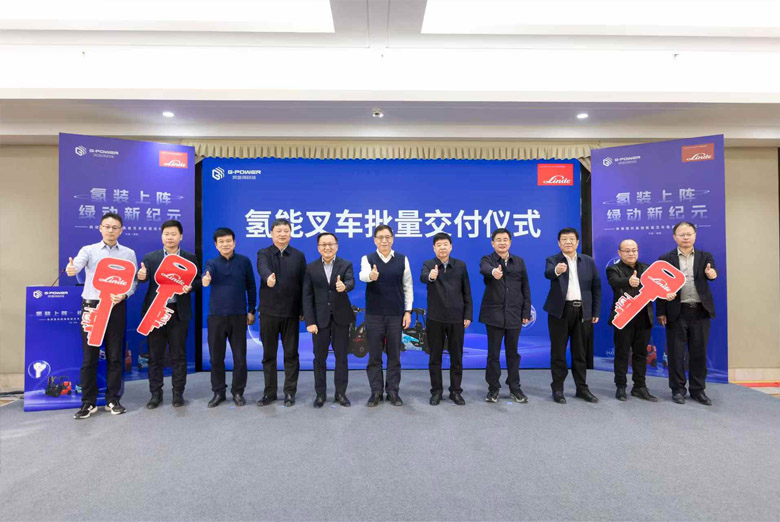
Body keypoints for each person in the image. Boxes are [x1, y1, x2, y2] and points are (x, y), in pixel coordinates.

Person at [66, 212, 137, 419]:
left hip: (116, 307)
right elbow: (76, 266)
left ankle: (113, 399)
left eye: (115, 227)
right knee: (90, 356)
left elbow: (133, 281)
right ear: (100, 228)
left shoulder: (128, 253)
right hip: (93, 308)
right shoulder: (89, 250)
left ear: (121, 231)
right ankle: (88, 402)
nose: (110, 230)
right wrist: (71, 268)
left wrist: (124, 294)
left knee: (115, 356)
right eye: (107, 226)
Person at [137, 220, 201, 408]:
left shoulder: (190, 258)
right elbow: (143, 279)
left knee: (178, 356)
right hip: (155, 312)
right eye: (166, 234)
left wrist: (191, 287)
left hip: (178, 313)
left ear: (181, 236)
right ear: (161, 236)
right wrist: (141, 276)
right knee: (155, 356)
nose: (170, 237)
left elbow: (198, 281)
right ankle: (155, 394)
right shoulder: (151, 258)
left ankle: (177, 393)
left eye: (173, 234)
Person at [657, 221, 718, 406]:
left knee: (698, 353)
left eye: (689, 234)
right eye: (682, 234)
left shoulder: (705, 256)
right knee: (676, 353)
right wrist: (661, 312)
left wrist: (712, 274)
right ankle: (678, 389)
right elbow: (660, 286)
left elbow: (713, 272)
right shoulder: (665, 259)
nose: (686, 237)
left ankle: (698, 390)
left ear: (695, 236)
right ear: (675, 237)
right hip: (677, 311)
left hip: (700, 311)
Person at [544, 227, 601, 404]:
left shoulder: (588, 261)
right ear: (559, 243)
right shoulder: (553, 260)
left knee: (580, 353)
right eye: (564, 239)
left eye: (571, 239)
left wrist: (595, 311)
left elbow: (596, 287)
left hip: (582, 311)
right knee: (558, 352)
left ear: (577, 242)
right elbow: (548, 273)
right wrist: (557, 270)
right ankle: (558, 389)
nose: (568, 242)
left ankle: (582, 388)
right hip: (559, 312)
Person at [359, 225, 413, 407]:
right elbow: (362, 275)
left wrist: (408, 311)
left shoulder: (402, 259)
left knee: (394, 356)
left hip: (396, 315)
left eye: (387, 237)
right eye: (380, 237)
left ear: (393, 239)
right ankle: (376, 392)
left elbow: (408, 286)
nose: (384, 240)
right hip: (374, 315)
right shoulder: (367, 259)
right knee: (374, 356)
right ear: (375, 240)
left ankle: (392, 391)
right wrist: (371, 275)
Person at [202, 227, 256, 408]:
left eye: (228, 241)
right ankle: (219, 392)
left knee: (240, 357)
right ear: (216, 245)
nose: (225, 244)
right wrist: (206, 278)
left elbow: (251, 286)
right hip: (216, 317)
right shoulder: (211, 263)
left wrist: (251, 310)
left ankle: (238, 392)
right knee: (216, 358)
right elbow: (207, 273)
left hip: (238, 316)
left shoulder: (244, 261)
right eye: (221, 242)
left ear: (234, 242)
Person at [256, 218, 306, 407]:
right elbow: (262, 268)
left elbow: (303, 284)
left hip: (291, 313)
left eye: (286, 231)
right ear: (272, 233)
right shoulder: (264, 253)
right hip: (268, 313)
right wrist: (268, 277)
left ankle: (290, 392)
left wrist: (302, 309)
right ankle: (269, 392)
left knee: (291, 355)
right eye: (279, 231)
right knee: (269, 355)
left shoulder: (298, 256)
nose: (282, 234)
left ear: (290, 233)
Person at [302, 232, 356, 408]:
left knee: (341, 358)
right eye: (323, 244)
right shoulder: (311, 268)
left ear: (336, 246)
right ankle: (320, 394)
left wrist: (344, 286)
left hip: (341, 319)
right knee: (319, 359)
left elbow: (351, 281)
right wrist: (310, 321)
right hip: (319, 320)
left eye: (331, 244)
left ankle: (341, 393)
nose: (327, 247)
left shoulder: (345, 264)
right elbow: (307, 296)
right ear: (318, 248)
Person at [479, 228, 531, 404]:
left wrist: (526, 311)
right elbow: (485, 269)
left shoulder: (519, 262)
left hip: (514, 314)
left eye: (505, 239)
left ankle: (515, 388)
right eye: (498, 240)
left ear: (510, 242)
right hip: (494, 315)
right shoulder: (487, 260)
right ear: (492, 243)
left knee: (513, 354)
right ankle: (493, 388)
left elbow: (525, 288)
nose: (502, 243)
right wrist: (494, 272)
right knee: (493, 354)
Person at [420, 232, 473, 406]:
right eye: (439, 245)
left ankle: (455, 391)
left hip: (456, 318)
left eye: (445, 244)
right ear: (434, 248)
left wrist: (468, 314)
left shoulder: (460, 265)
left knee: (456, 357)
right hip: (435, 318)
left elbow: (467, 292)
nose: (442, 247)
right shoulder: (429, 264)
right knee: (435, 357)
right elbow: (423, 277)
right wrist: (431, 276)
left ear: (451, 247)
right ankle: (436, 391)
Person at [606, 239, 658, 402]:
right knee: (622, 353)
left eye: (634, 250)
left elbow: (657, 287)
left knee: (641, 354)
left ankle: (639, 387)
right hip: (624, 317)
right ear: (619, 253)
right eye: (627, 250)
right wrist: (628, 281)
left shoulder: (647, 268)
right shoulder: (613, 269)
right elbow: (614, 282)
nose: (631, 253)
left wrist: (667, 294)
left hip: (644, 317)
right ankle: (621, 386)